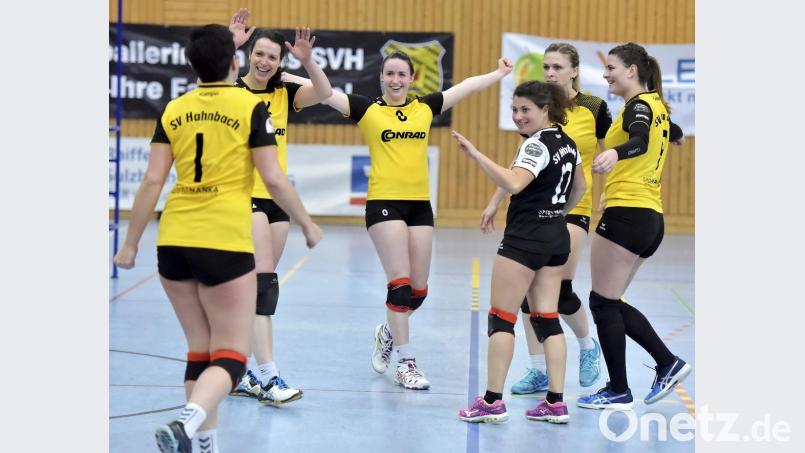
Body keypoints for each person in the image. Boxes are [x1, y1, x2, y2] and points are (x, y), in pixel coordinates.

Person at [113, 24, 322, 453]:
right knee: (230, 356)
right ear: (235, 61)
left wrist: (130, 244)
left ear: (192, 66)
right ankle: (188, 420)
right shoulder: (250, 107)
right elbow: (273, 178)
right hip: (223, 241)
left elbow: (152, 181)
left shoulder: (174, 109)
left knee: (198, 351)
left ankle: (204, 443)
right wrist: (306, 222)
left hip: (172, 241)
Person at [319, 51, 513, 389]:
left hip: (420, 206)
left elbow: (466, 87)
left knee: (418, 292)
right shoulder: (367, 109)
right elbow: (323, 91)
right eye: (390, 74)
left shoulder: (424, 107)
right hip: (383, 203)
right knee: (400, 284)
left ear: (411, 79)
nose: (395, 80)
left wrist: (497, 75)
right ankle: (406, 364)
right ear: (381, 77)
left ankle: (388, 332)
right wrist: (288, 72)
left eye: (401, 75)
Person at [481, 43, 610, 395]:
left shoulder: (594, 107)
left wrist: (605, 189)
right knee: (528, 297)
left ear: (574, 71)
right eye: (547, 66)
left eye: (557, 67)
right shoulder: (537, 116)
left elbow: (606, 151)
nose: (550, 73)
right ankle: (542, 372)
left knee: (559, 290)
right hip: (544, 209)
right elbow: (521, 166)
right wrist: (496, 201)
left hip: (571, 209)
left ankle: (587, 345)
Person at [455, 80, 586, 423]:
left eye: (526, 109)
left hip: (525, 240)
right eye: (514, 109)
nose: (518, 116)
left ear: (546, 110)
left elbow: (514, 182)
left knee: (502, 317)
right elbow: (580, 189)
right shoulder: (569, 143)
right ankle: (556, 402)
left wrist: (476, 155)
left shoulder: (536, 145)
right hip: (556, 238)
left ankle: (492, 402)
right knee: (546, 318)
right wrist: (557, 215)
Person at [226, 9, 333, 407]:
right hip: (244, 197)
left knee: (257, 294)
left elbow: (323, 92)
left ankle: (238, 372)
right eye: (259, 53)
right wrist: (230, 44)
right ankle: (269, 378)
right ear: (250, 53)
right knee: (263, 288)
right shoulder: (232, 90)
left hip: (277, 201)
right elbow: (201, 81)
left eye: (273, 57)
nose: (265, 61)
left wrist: (307, 61)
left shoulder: (284, 93)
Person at [576, 42, 690, 411]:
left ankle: (624, 386)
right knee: (611, 301)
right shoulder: (655, 105)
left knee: (602, 302)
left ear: (632, 72)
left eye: (611, 67)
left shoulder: (639, 106)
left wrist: (615, 153)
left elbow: (639, 140)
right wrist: (672, 134)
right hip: (649, 217)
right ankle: (662, 365)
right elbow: (666, 132)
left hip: (627, 214)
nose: (606, 74)